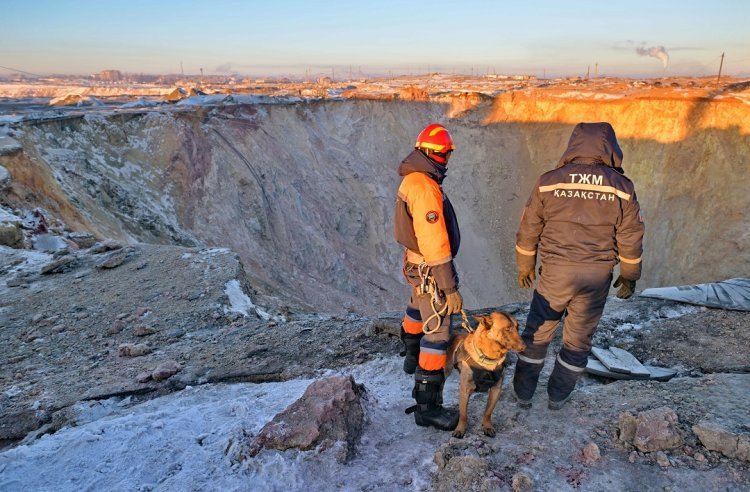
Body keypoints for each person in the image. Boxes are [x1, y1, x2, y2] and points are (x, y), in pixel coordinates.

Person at [512, 122, 645, 410]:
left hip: (555, 273)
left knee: (537, 332)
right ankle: (558, 396)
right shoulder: (622, 187)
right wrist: (630, 275)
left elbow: (528, 228)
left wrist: (525, 265)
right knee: (578, 338)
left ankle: (523, 393)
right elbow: (631, 236)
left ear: (573, 145)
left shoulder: (549, 181)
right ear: (611, 147)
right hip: (596, 277)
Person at [394, 123, 463, 431]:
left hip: (415, 263)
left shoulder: (414, 178)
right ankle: (428, 408)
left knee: (416, 308)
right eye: (445, 155)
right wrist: (449, 289)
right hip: (429, 268)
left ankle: (410, 355)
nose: (446, 160)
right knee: (437, 333)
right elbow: (435, 242)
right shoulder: (424, 187)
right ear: (436, 154)